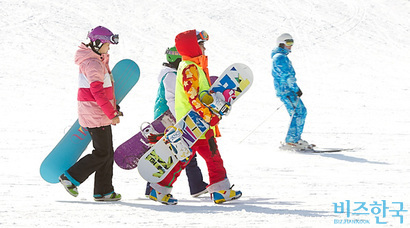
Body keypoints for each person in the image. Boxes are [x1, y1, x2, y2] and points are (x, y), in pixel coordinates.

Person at [147, 29, 242, 205]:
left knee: (205, 155)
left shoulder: (194, 65)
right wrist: (207, 115)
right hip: (193, 122)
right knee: (185, 156)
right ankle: (158, 189)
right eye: (201, 44)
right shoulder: (189, 67)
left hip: (197, 123)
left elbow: (202, 94)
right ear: (192, 46)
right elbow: (193, 97)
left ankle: (220, 190)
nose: (204, 48)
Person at [58, 26, 122, 201]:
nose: (109, 47)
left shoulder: (96, 61)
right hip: (96, 115)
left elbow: (104, 91)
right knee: (102, 153)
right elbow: (97, 92)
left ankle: (104, 191)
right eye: (107, 44)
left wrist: (113, 109)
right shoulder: (93, 63)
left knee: (107, 152)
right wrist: (110, 114)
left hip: (98, 113)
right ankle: (70, 178)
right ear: (98, 43)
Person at [144, 46, 208, 198]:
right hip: (168, 119)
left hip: (171, 118)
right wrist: (182, 120)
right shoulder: (171, 76)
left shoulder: (172, 74)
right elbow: (172, 99)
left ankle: (196, 185)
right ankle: (153, 188)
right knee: (169, 152)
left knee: (185, 150)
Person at [271, 33, 312, 149]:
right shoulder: (280, 57)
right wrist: (295, 88)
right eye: (288, 43)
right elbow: (287, 75)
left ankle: (294, 139)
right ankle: (292, 140)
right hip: (287, 90)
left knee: (298, 112)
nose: (290, 46)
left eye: (291, 43)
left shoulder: (280, 57)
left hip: (286, 90)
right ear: (281, 43)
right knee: (299, 112)